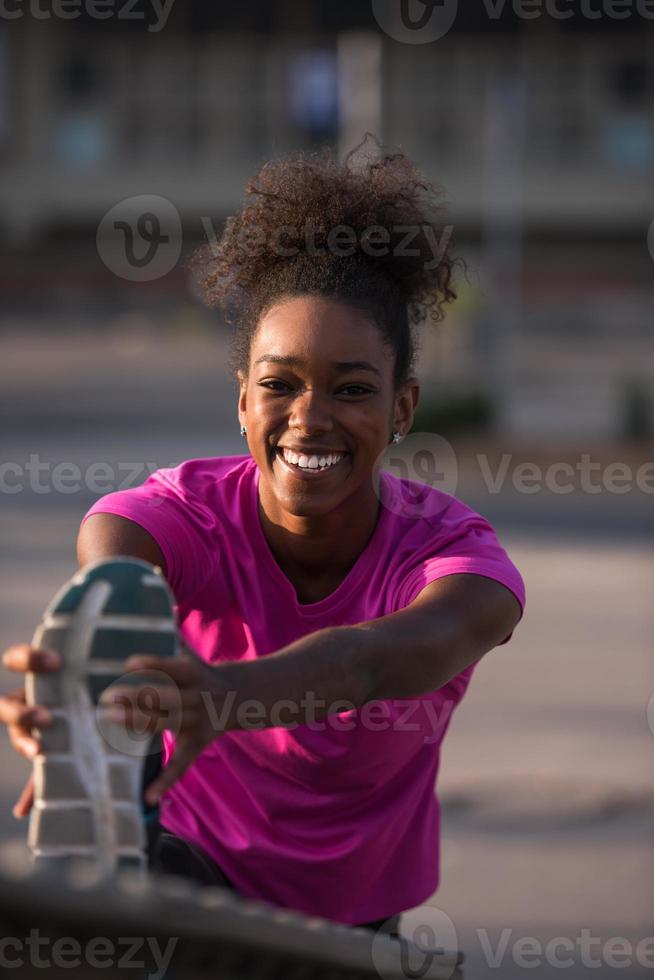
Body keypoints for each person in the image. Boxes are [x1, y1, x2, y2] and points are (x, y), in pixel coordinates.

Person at [0, 138, 525, 936]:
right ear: (243, 401)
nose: (308, 419)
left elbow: (377, 658)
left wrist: (226, 699)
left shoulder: (452, 557)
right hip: (192, 873)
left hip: (356, 923)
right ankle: (114, 865)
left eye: (351, 389)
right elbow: (116, 539)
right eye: (279, 385)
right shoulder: (196, 510)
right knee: (141, 893)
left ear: (403, 409)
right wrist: (93, 676)